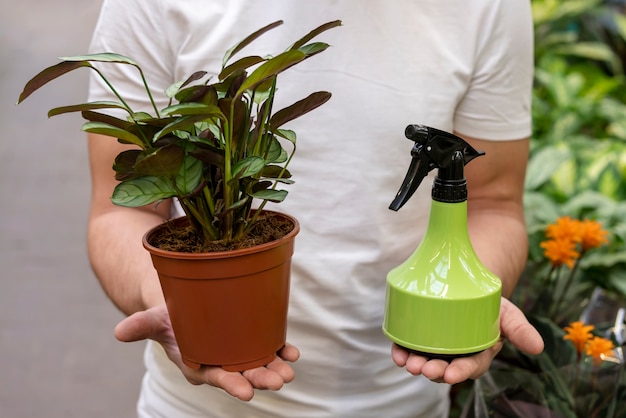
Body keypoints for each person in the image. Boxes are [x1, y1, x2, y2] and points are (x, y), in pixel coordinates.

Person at [85, 0, 544, 416]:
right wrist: (176, 309)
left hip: (403, 399)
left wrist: (465, 303)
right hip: (193, 410)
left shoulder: (488, 7)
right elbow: (122, 208)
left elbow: (492, 204)